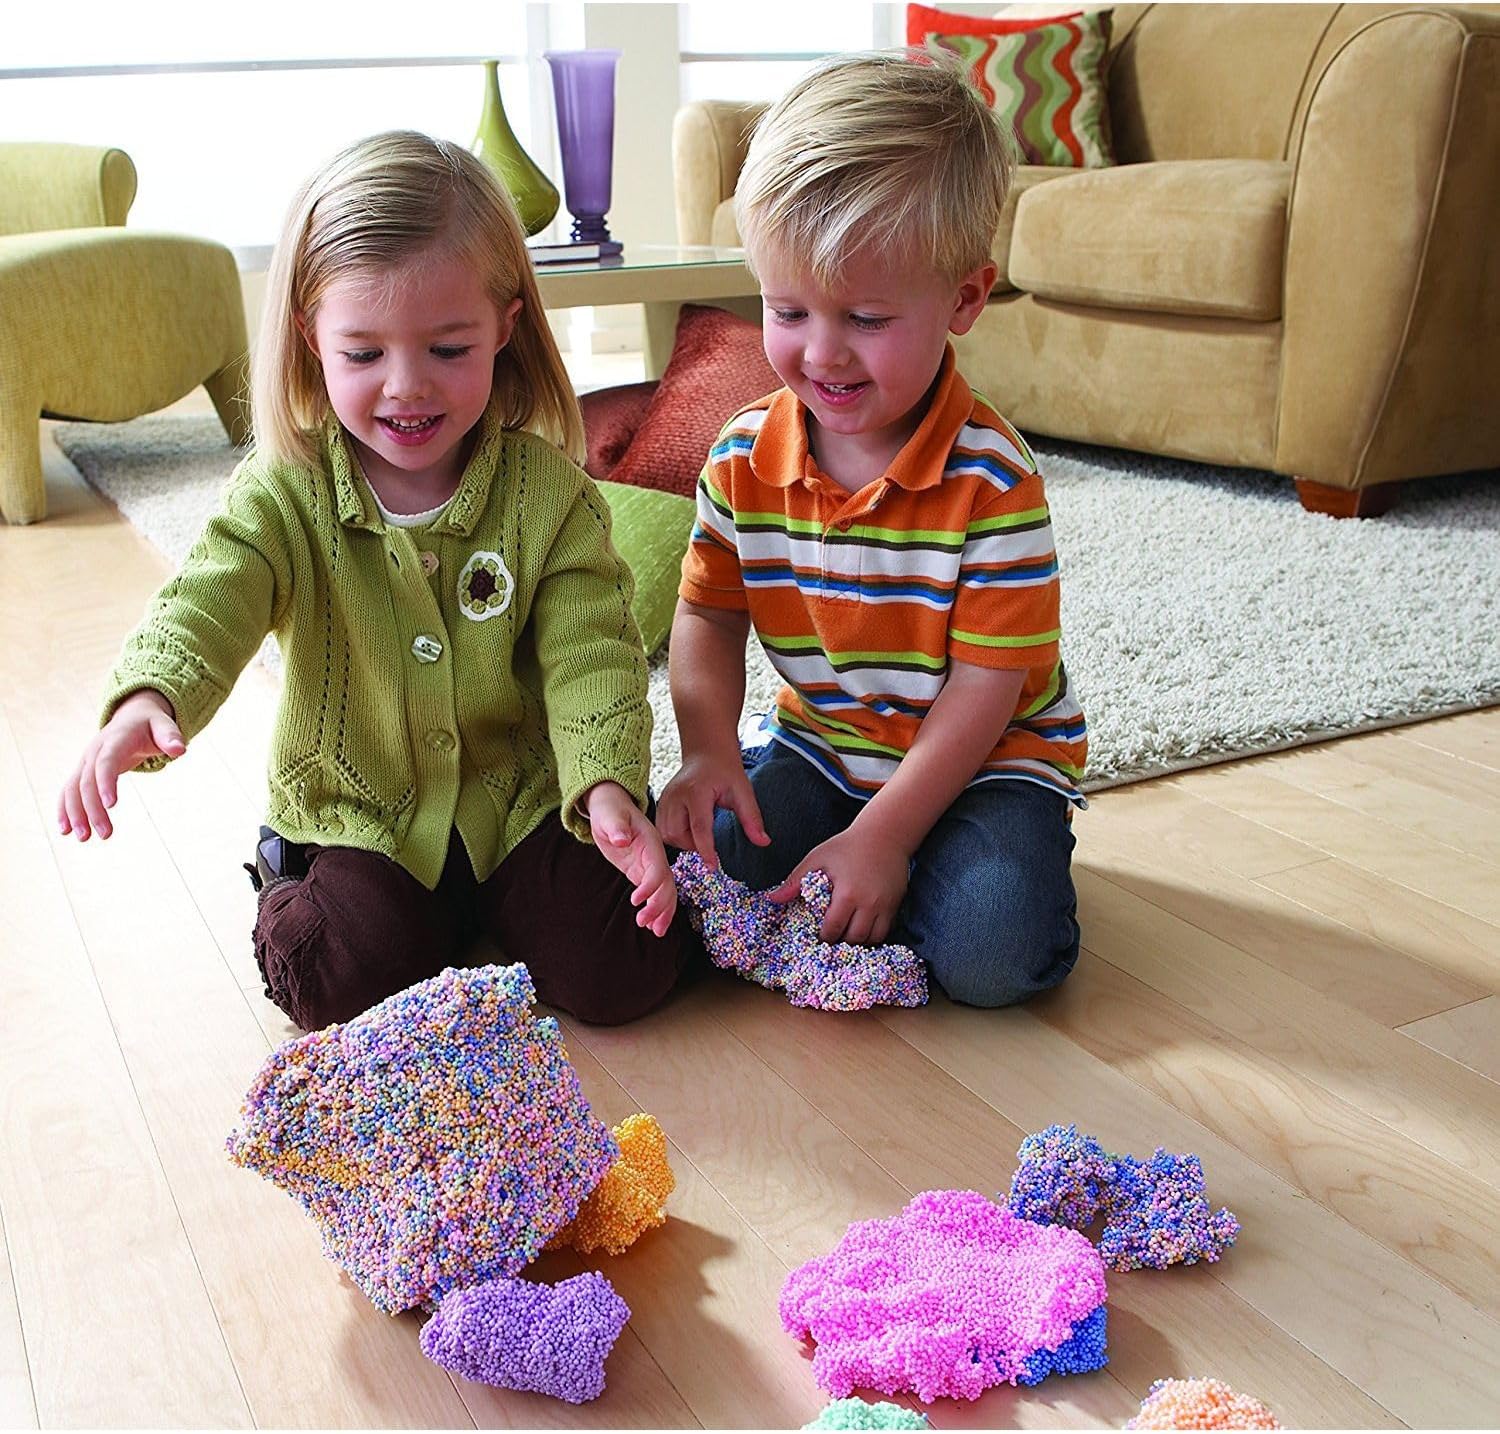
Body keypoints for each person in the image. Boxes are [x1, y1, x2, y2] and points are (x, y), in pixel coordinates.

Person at [58, 130, 689, 1030]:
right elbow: (208, 598)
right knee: (341, 978)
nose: (407, 388)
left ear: (505, 328)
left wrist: (607, 787)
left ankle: (498, 909)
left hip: (521, 803)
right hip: (363, 815)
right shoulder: (285, 491)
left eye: (449, 349)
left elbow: (594, 653)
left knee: (629, 963)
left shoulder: (549, 497)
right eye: (363, 355)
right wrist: (149, 698)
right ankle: (299, 875)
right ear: (311, 338)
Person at [657, 52, 1088, 1008]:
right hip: (824, 748)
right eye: (787, 310)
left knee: (993, 951)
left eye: (865, 317)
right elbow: (709, 616)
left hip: (984, 769)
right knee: (695, 862)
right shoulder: (742, 456)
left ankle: (923, 867)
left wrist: (889, 834)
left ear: (964, 299)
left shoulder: (994, 480)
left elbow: (987, 688)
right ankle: (871, 870)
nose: (822, 352)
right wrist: (708, 749)